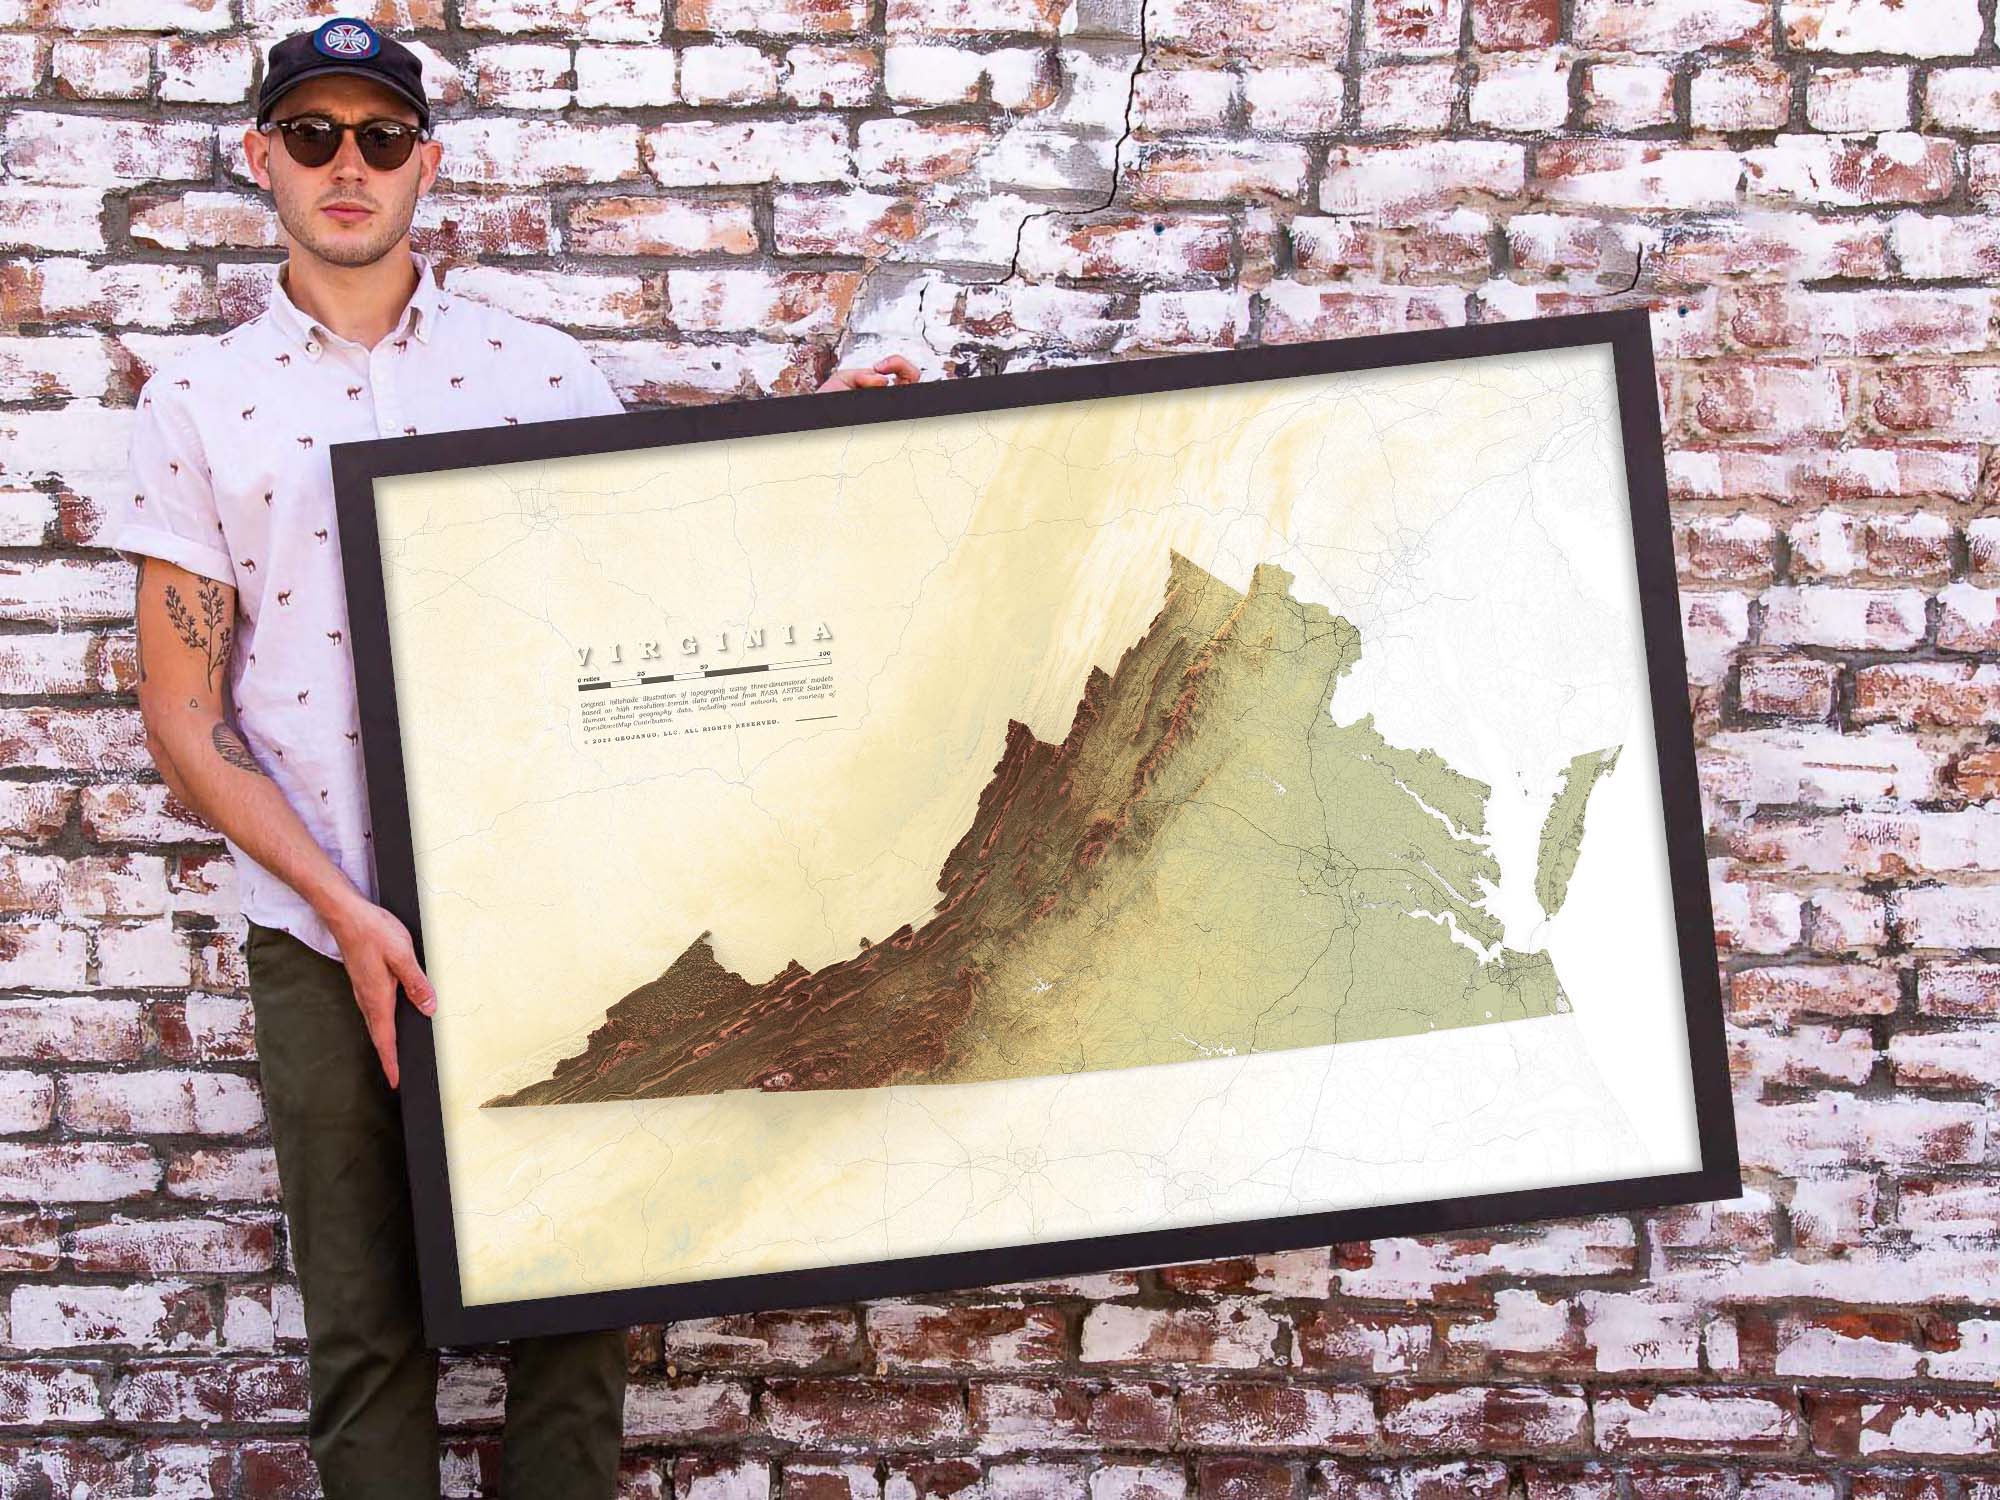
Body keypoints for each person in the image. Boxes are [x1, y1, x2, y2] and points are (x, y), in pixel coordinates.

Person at [112, 17, 919, 1497]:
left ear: (426, 163)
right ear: (262, 158)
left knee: (576, 1323)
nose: (346, 166)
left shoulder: (537, 375)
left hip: (549, 916)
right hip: (317, 925)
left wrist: (837, 459)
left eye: (378, 137)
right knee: (364, 1339)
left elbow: (655, 592)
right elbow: (183, 708)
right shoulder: (196, 404)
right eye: (312, 136)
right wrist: (344, 910)